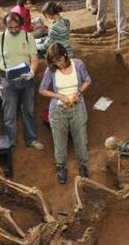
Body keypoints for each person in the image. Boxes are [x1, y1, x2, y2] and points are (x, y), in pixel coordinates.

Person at [0, 12, 44, 150]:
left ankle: (31, 139)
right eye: (10, 28)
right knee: (9, 115)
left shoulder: (28, 36)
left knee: (29, 111)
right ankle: (11, 143)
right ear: (5, 26)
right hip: (8, 81)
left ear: (21, 25)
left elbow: (34, 58)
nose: (14, 30)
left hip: (26, 80)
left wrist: (32, 72)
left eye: (16, 27)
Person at [39, 43, 91, 184]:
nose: (58, 64)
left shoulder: (78, 65)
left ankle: (83, 165)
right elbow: (42, 89)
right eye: (54, 62)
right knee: (59, 140)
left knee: (80, 137)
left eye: (60, 60)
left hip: (77, 107)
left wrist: (78, 92)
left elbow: (87, 80)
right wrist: (59, 96)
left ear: (65, 55)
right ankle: (61, 167)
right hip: (58, 110)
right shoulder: (51, 71)